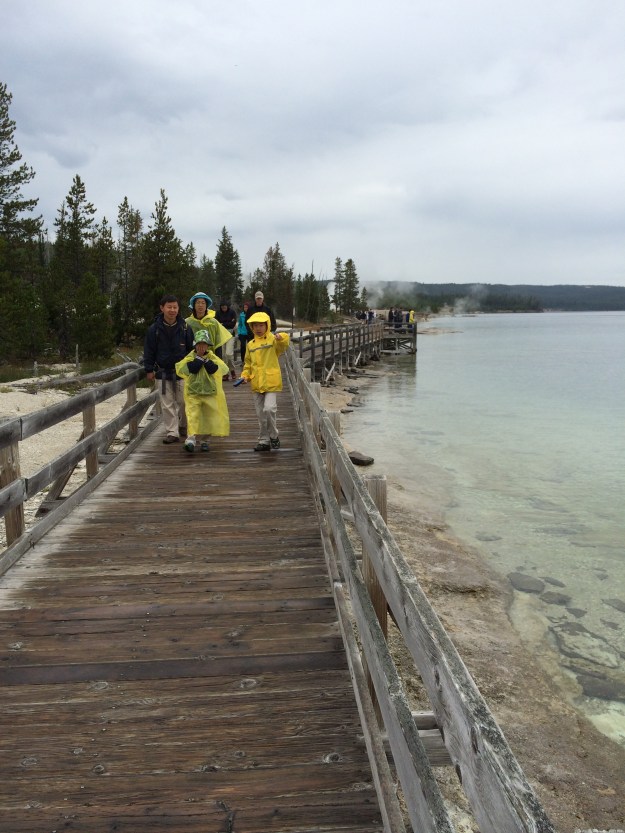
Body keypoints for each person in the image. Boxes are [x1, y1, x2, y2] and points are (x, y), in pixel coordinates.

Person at [143, 294, 194, 444]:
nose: (172, 310)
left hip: (182, 371)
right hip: (162, 372)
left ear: (178, 309)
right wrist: (149, 369)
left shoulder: (185, 328)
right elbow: (149, 350)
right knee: (167, 403)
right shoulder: (154, 329)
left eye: (175, 307)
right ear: (162, 308)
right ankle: (172, 432)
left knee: (184, 401)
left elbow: (192, 350)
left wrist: (192, 368)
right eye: (169, 307)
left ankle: (183, 425)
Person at [239, 311, 290, 452]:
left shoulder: (273, 340)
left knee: (269, 409)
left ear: (267, 325)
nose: (258, 328)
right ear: (251, 327)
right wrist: (245, 376)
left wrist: (281, 337)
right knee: (261, 416)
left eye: (261, 325)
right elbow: (248, 364)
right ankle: (264, 441)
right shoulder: (250, 345)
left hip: (271, 382)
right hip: (256, 383)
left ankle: (274, 436)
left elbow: (285, 342)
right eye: (255, 325)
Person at [175, 329, 230, 453]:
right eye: (199, 344)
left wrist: (206, 360)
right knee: (192, 415)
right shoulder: (190, 357)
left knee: (209, 417)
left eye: (204, 344)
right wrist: (199, 358)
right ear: (195, 345)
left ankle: (205, 440)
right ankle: (190, 440)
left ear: (208, 345)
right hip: (193, 392)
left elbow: (215, 369)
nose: (202, 347)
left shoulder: (212, 357)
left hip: (209, 392)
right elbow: (191, 369)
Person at [215, 300, 237, 380]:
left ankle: (232, 370)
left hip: (230, 335)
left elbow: (233, 324)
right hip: (221, 335)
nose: (224, 308)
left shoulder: (232, 312)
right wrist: (228, 322)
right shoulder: (218, 313)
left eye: (225, 307)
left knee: (229, 354)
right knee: (223, 355)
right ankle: (225, 373)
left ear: (227, 306)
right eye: (222, 307)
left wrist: (223, 324)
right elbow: (216, 323)